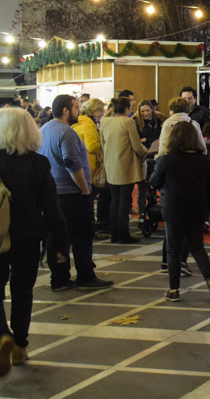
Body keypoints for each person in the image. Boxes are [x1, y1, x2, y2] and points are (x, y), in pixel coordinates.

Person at [0, 108, 69, 378]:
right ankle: (19, 346)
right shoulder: (39, 163)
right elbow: (51, 208)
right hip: (29, 236)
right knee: (22, 291)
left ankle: (0, 335)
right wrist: (61, 244)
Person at [39, 95, 112, 292]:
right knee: (82, 236)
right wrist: (85, 189)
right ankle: (85, 276)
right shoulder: (67, 132)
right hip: (72, 193)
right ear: (65, 110)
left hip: (53, 192)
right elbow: (72, 163)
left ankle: (60, 278)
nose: (78, 111)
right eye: (75, 108)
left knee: (58, 237)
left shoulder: (44, 129)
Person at [150, 121, 210, 303]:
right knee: (197, 247)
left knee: (174, 249)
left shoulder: (168, 159)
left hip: (174, 209)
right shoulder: (202, 159)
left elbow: (154, 182)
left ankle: (174, 290)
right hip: (197, 208)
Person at [101, 97, 147, 244]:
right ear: (126, 109)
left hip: (111, 164)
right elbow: (136, 145)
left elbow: (103, 144)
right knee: (125, 201)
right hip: (126, 165)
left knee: (115, 200)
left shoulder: (104, 121)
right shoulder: (128, 122)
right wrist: (146, 151)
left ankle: (114, 234)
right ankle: (123, 234)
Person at [73, 98, 109, 237]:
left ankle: (90, 228)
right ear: (93, 111)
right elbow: (91, 146)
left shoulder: (80, 122)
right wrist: (104, 142)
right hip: (90, 166)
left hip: (84, 165)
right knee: (88, 200)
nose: (102, 113)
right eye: (100, 110)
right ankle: (91, 229)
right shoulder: (88, 125)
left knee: (87, 201)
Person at [133, 100, 164, 216]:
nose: (145, 113)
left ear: (152, 109)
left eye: (147, 110)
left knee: (157, 183)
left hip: (156, 156)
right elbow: (137, 141)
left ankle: (158, 208)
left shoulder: (159, 120)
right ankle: (141, 212)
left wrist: (146, 140)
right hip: (143, 157)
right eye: (142, 111)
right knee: (142, 186)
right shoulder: (135, 122)